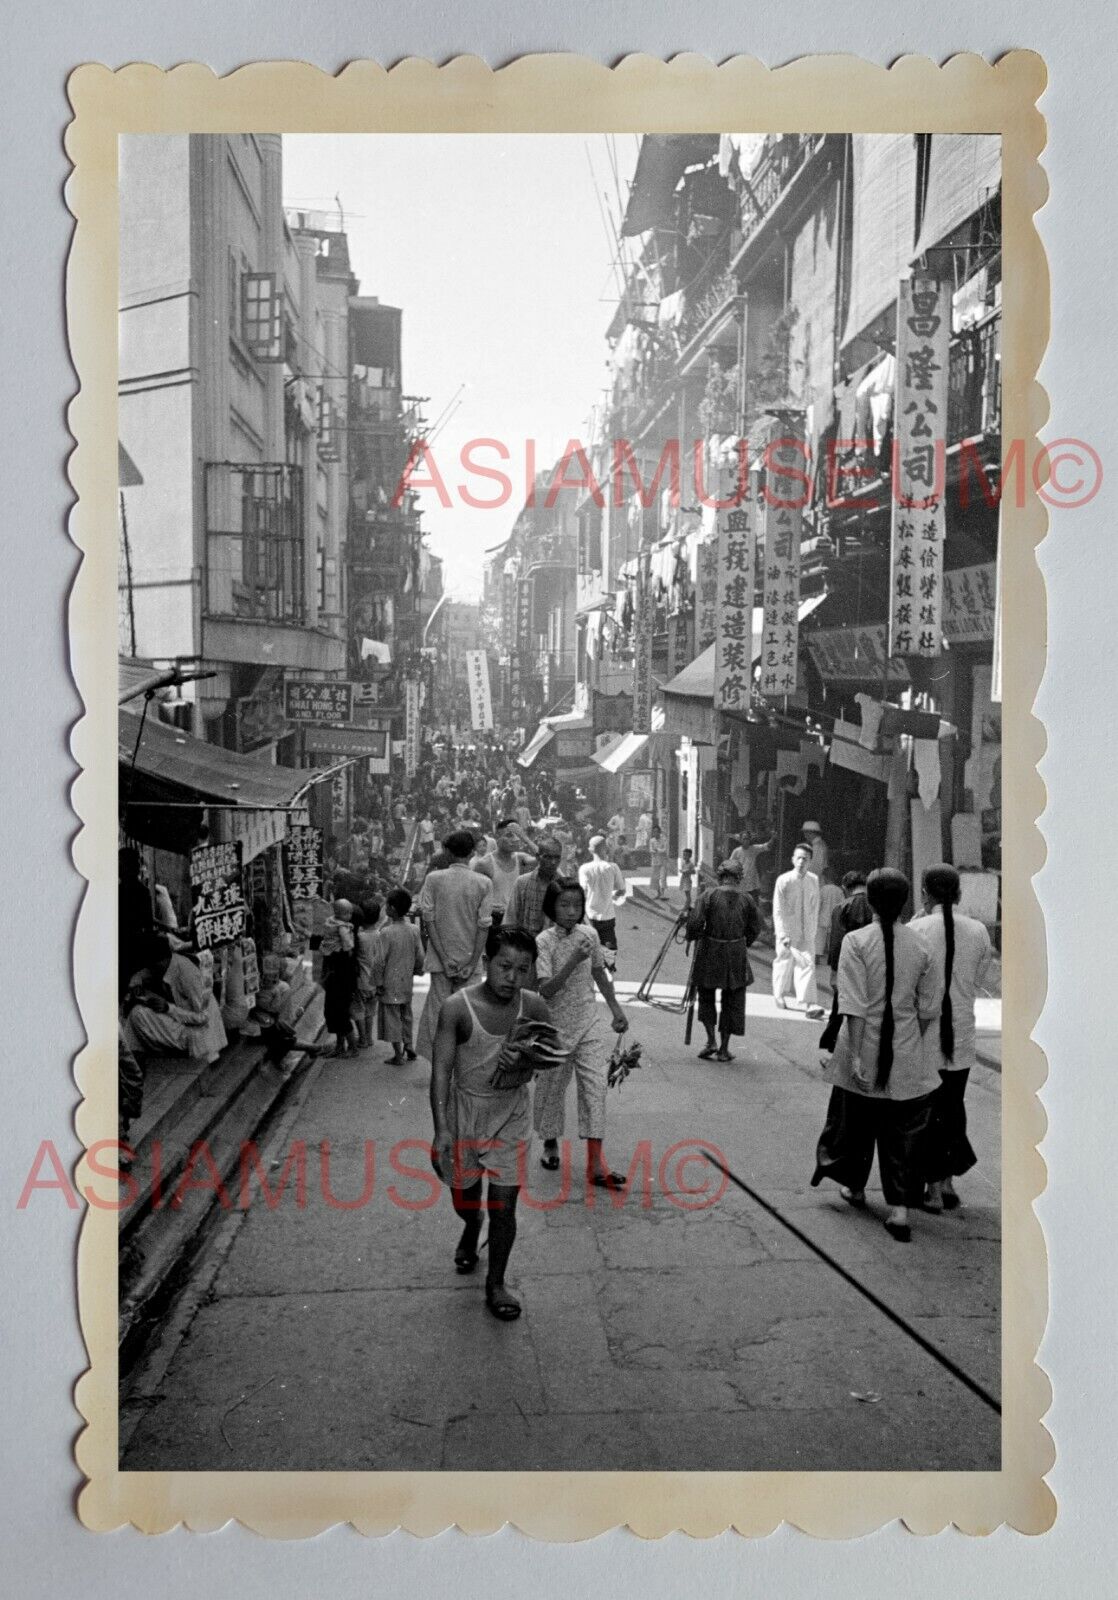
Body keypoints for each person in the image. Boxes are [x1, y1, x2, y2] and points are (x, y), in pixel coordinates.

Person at [811, 867, 943, 1242]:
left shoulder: (856, 941)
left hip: (862, 1046)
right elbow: (929, 1007)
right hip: (905, 1049)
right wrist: (911, 1039)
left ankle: (854, 1188)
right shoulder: (921, 945)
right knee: (902, 1132)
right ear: (905, 903)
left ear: (869, 901)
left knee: (854, 1125)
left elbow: (851, 1004)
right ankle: (900, 1210)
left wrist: (854, 1056)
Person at [429, 924, 552, 1322]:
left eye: (522, 969)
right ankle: (471, 1224)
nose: (512, 978)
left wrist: (527, 1061)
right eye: (504, 967)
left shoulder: (533, 1008)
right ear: (486, 963)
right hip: (465, 1114)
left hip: (511, 1115)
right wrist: (442, 1130)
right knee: (464, 1201)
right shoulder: (457, 1008)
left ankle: (496, 1283)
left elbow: (550, 1057)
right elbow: (441, 1072)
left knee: (504, 1206)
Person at [533, 879, 631, 1189]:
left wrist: (616, 1009)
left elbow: (600, 974)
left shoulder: (590, 935)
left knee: (595, 1089)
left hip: (588, 1023)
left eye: (577, 905)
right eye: (564, 905)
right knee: (551, 1090)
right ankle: (550, 1142)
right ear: (552, 907)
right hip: (554, 1027)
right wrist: (574, 959)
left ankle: (595, 1165)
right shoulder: (543, 942)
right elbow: (545, 989)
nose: (572, 911)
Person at [909, 864, 993, 1212]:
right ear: (958, 895)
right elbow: (978, 978)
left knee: (925, 1110)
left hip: (924, 1034)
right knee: (952, 1108)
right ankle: (945, 1182)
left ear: (925, 893)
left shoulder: (915, 930)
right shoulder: (978, 931)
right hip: (960, 1032)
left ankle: (931, 1188)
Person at [416, 829, 494, 1061]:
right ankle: (463, 1062)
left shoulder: (434, 879)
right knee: (468, 1012)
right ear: (471, 852)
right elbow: (483, 926)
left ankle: (439, 1063)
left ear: (448, 852)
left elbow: (428, 920)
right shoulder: (483, 883)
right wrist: (472, 962)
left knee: (439, 1012)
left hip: (441, 961)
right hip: (470, 960)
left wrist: (442, 957)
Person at [686, 859, 762, 1062]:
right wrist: (742, 942)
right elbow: (755, 927)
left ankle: (711, 1040)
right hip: (735, 953)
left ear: (720, 876)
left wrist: (693, 935)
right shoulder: (747, 899)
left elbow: (694, 923)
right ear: (738, 878)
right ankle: (724, 1049)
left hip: (710, 950)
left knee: (706, 997)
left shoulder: (708, 895)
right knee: (733, 1000)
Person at [121, 933, 228, 1064]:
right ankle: (131, 1058)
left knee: (137, 1015)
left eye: (151, 965)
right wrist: (136, 983)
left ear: (160, 961)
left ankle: (135, 1057)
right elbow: (142, 974)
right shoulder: (170, 962)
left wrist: (168, 1009)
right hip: (188, 1026)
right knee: (136, 1012)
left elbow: (203, 1017)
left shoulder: (187, 974)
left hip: (201, 1037)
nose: (149, 970)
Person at [819, 871, 874, 1052]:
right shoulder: (876, 907)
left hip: (848, 967)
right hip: (872, 967)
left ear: (845, 888)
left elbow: (836, 943)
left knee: (841, 1010)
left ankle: (835, 1053)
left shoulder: (842, 907)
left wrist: (834, 973)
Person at [371, 887, 425, 1064]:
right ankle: (409, 1045)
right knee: (406, 1014)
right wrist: (418, 970)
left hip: (389, 983)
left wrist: (377, 982)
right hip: (406, 982)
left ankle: (398, 1054)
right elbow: (420, 955)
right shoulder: (413, 929)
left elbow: (379, 961)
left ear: (392, 909)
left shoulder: (386, 932)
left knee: (392, 1018)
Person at [772, 843, 825, 1018]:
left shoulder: (814, 880)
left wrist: (813, 930)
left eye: (805, 858)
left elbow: (815, 906)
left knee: (807, 964)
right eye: (799, 857)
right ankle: (779, 994)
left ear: (810, 861)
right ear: (793, 859)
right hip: (787, 931)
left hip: (807, 931)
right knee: (784, 963)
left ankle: (810, 1004)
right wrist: (782, 934)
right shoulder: (784, 880)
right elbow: (777, 910)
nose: (802, 861)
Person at [578, 835, 628, 972]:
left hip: (589, 917)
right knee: (609, 956)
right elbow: (622, 890)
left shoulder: (584, 869)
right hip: (607, 918)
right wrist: (612, 896)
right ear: (605, 849)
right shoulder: (613, 867)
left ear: (590, 850)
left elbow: (582, 892)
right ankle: (609, 977)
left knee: (587, 955)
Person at [472, 819, 536, 925]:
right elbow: (473, 896)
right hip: (494, 918)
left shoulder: (520, 858)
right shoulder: (484, 863)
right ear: (497, 837)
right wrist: (489, 906)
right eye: (509, 835)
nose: (515, 840)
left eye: (517, 836)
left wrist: (525, 838)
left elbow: (544, 859)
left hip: (515, 916)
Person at [505, 836, 564, 938]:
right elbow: (511, 917)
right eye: (548, 857)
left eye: (557, 857)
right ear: (538, 857)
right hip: (526, 943)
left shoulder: (563, 885)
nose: (553, 862)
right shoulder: (522, 882)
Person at [321, 898, 359, 1056]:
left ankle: (352, 1047)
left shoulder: (346, 951)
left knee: (341, 1015)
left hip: (341, 983)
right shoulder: (341, 931)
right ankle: (339, 1046)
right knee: (331, 1013)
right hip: (332, 982)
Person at [352, 898, 383, 1050]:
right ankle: (369, 1037)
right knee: (370, 1011)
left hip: (361, 981)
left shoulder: (359, 937)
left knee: (358, 1010)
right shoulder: (381, 935)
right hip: (376, 982)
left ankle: (362, 1039)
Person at [816, 870, 845, 963]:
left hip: (822, 918)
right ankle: (833, 960)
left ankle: (817, 959)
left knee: (819, 940)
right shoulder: (839, 891)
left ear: (826, 878)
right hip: (834, 919)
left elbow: (818, 905)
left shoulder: (822, 889)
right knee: (832, 941)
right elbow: (842, 905)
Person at [648, 823, 669, 900]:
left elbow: (665, 850)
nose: (655, 833)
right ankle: (658, 893)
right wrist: (655, 851)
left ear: (660, 832)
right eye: (654, 832)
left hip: (663, 861)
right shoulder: (652, 840)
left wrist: (657, 850)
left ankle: (663, 894)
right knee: (655, 878)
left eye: (657, 831)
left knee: (663, 877)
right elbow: (650, 850)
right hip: (655, 861)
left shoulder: (664, 839)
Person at [677, 847, 696, 912]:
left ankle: (686, 907)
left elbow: (694, 872)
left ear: (690, 856)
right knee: (686, 894)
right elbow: (682, 870)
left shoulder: (691, 864)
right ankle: (688, 906)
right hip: (684, 880)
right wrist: (682, 871)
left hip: (687, 881)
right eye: (684, 855)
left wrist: (688, 871)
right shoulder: (683, 863)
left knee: (688, 895)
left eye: (686, 855)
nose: (684, 856)